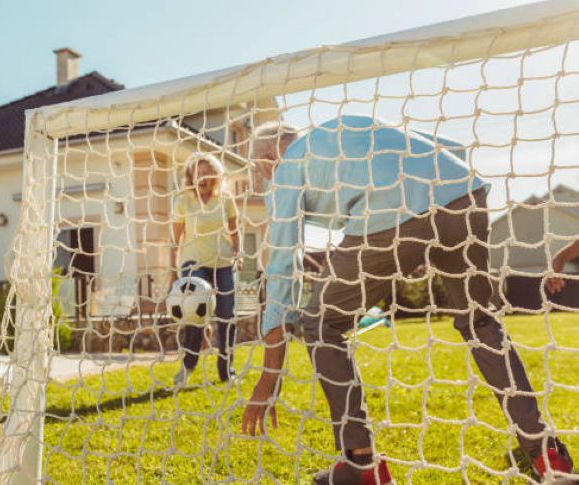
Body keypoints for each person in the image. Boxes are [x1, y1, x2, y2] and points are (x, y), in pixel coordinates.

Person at [241, 118, 575, 484]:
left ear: (270, 156)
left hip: (392, 213)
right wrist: (428, 235)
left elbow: (282, 266)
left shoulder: (288, 167)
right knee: (480, 323)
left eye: (260, 168)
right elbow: (448, 146)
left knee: (322, 323)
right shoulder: (346, 125)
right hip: (464, 192)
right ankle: (548, 456)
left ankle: (362, 464)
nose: (265, 178)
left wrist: (269, 375)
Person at [171, 152, 240, 386]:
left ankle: (226, 370)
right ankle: (188, 366)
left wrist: (238, 253)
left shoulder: (226, 199)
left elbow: (234, 230)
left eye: (207, 172)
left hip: (222, 262)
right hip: (193, 262)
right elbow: (176, 236)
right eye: (198, 172)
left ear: (216, 175)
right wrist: (173, 267)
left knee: (226, 315)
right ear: (192, 175)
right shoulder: (183, 200)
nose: (202, 176)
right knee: (194, 312)